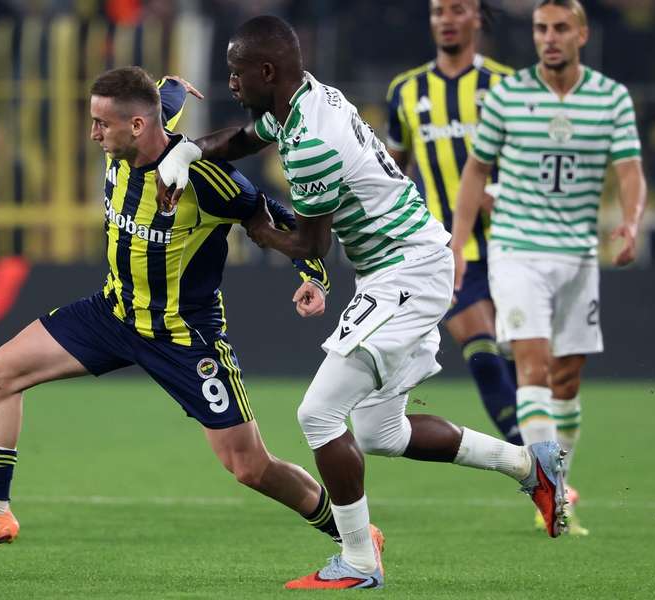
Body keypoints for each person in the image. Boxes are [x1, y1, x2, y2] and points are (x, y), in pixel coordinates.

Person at [155, 16, 567, 590]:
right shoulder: (309, 97)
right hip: (406, 263)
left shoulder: (313, 147)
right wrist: (189, 153)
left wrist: (256, 224)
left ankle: (358, 560)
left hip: (406, 270)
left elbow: (310, 242)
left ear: (267, 71)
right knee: (381, 433)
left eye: (235, 72)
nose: (231, 83)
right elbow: (247, 139)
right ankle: (530, 464)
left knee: (317, 414)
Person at [0, 68, 343, 566]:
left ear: (135, 126)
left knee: (250, 467)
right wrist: (169, 85)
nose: (93, 134)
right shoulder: (133, 133)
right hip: (113, 312)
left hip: (182, 335)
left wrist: (313, 274)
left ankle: (353, 534)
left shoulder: (204, 177)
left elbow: (274, 214)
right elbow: (161, 103)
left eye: (101, 124)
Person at [451, 0, 647, 536]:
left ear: (581, 33)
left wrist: (631, 222)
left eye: (561, 27)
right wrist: (459, 243)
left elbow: (630, 170)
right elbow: (475, 171)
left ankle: (557, 482)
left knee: (567, 378)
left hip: (579, 254)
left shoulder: (611, 98)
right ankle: (553, 499)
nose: (550, 37)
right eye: (541, 28)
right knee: (532, 366)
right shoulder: (509, 96)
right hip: (518, 249)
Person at [385, 0, 523, 445]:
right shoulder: (406, 91)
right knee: (481, 352)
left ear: (478, 17)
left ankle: (544, 461)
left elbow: (534, 160)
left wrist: (505, 194)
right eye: (437, 11)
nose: (446, 19)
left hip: (514, 247)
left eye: (457, 9)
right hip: (447, 252)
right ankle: (539, 470)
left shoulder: (507, 86)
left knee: (523, 366)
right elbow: (393, 171)